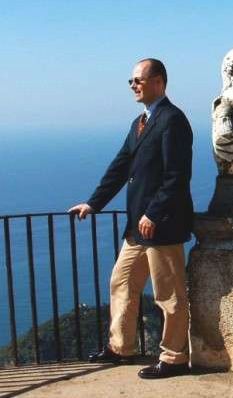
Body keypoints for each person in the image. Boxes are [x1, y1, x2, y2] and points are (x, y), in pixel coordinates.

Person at [68, 58, 193, 379]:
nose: (133, 85)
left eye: (139, 79)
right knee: (121, 282)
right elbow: (121, 166)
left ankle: (175, 357)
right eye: (131, 81)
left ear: (159, 83)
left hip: (160, 225)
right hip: (137, 228)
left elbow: (177, 175)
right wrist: (94, 203)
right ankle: (121, 347)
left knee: (169, 295)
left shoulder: (173, 120)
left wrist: (154, 212)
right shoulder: (140, 122)